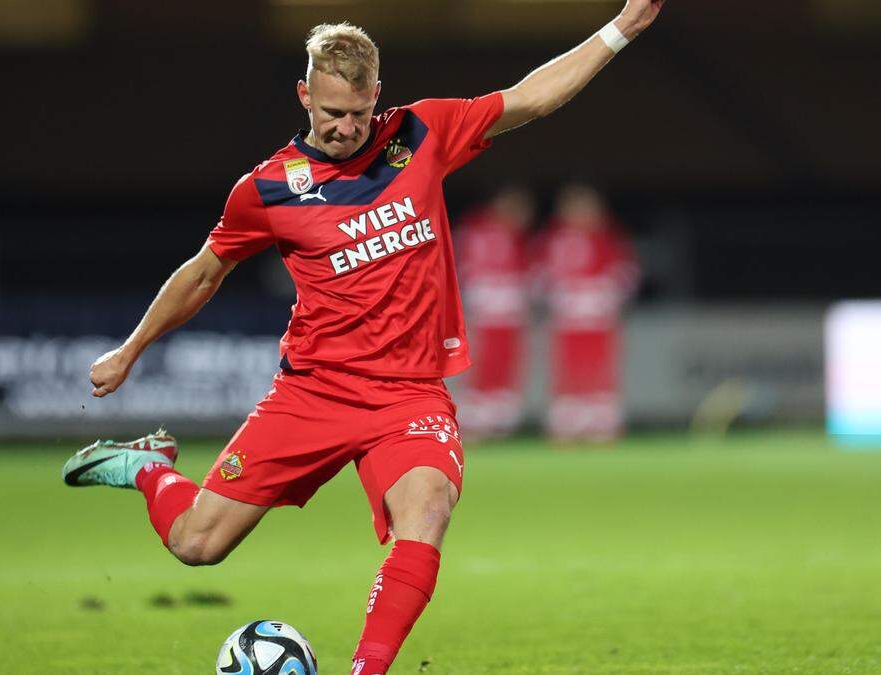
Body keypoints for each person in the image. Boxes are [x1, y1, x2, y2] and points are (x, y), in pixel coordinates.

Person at [61, 5, 665, 673]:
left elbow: (531, 97)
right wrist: (131, 348)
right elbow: (205, 272)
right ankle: (149, 468)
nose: (345, 128)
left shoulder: (422, 131)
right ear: (304, 95)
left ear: (376, 95)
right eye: (330, 113)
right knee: (195, 544)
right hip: (314, 391)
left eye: (356, 113)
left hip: (409, 395)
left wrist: (621, 29)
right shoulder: (266, 189)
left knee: (429, 507)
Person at [534, 183, 641, 441]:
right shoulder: (552, 238)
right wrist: (555, 295)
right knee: (569, 369)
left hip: (599, 318)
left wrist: (608, 293)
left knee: (600, 369)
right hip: (568, 319)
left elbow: (627, 272)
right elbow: (539, 274)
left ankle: (601, 423)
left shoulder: (609, 237)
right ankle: (567, 423)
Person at [454, 186, 536, 438]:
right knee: (481, 361)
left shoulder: (515, 235)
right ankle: (475, 418)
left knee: (505, 361)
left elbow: (528, 270)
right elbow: (460, 263)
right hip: (481, 307)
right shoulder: (477, 229)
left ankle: (497, 419)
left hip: (505, 308)